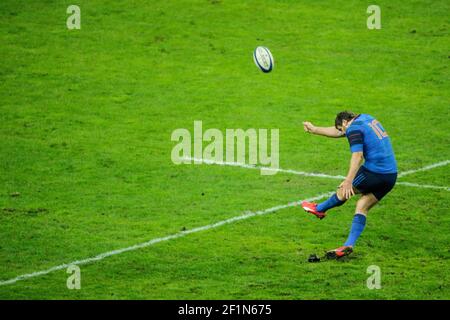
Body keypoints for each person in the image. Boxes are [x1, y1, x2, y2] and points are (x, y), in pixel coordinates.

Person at [302, 111, 397, 259]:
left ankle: (319, 209)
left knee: (343, 191)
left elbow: (357, 156)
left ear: (345, 122)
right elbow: (339, 132)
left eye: (342, 129)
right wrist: (315, 130)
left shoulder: (352, 129)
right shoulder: (365, 118)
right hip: (390, 176)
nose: (343, 133)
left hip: (374, 172)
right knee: (362, 206)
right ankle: (348, 245)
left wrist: (348, 181)